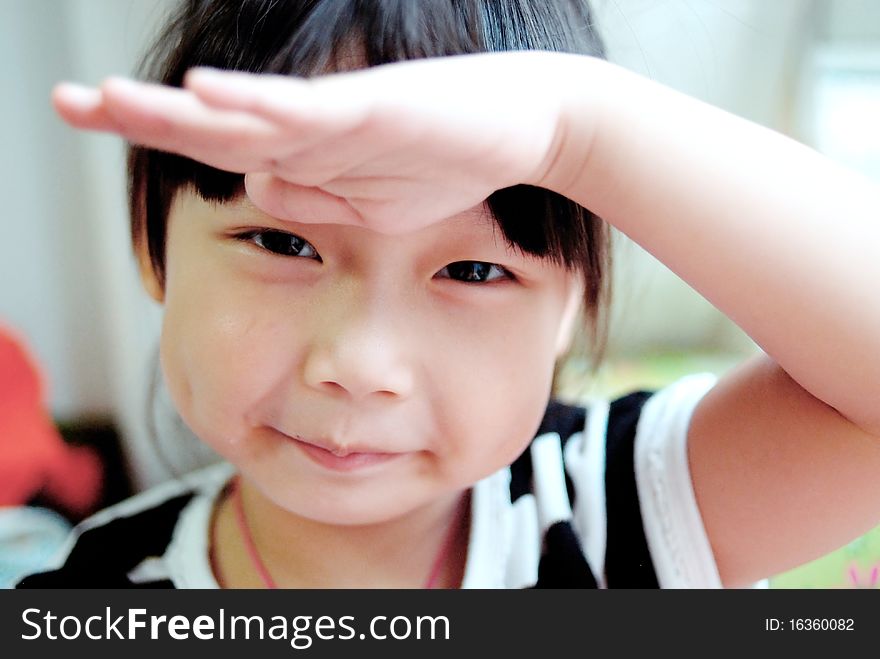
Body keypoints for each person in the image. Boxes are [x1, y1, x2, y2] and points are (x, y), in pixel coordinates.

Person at [18, 0, 880, 589]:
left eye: (472, 270)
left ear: (570, 307)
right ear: (153, 248)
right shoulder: (93, 582)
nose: (359, 366)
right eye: (283, 241)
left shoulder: (625, 504)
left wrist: (579, 131)